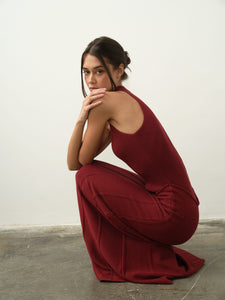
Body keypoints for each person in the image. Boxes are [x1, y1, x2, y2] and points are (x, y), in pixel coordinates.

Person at [67, 36, 205, 284]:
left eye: (99, 71)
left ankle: (121, 257)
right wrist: (83, 119)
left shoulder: (105, 103)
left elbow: (77, 164)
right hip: (183, 208)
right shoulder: (121, 98)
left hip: (173, 213)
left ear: (119, 70)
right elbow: (78, 161)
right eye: (86, 72)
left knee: (86, 176)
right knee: (88, 174)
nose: (90, 80)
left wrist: (81, 117)